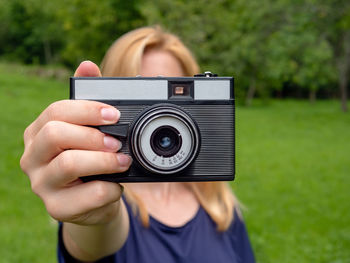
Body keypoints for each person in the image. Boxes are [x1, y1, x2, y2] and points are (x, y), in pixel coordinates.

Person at [20, 26, 255, 263]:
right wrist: (98, 216)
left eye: (170, 95)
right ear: (101, 106)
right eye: (142, 95)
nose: (158, 119)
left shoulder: (221, 207)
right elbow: (97, 232)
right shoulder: (100, 198)